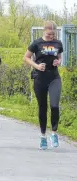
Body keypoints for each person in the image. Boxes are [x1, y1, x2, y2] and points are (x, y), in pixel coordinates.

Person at [24, 21, 63, 150]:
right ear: (44, 31)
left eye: (53, 34)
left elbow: (60, 57)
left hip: (54, 78)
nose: (52, 36)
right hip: (40, 78)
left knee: (55, 105)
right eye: (49, 34)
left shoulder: (58, 43)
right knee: (42, 107)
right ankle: (43, 136)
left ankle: (54, 133)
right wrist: (36, 66)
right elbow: (26, 58)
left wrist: (59, 61)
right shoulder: (36, 43)